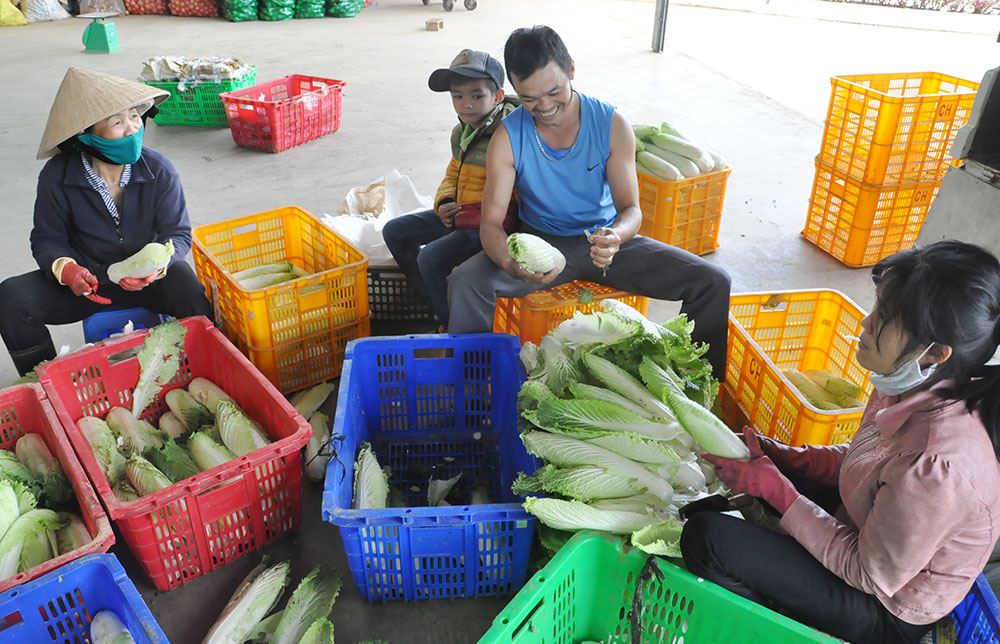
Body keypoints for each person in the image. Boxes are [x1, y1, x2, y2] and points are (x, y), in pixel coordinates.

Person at [680, 240, 1000, 644]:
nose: (866, 324)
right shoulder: (907, 382)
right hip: (863, 527)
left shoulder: (939, 465)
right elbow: (868, 463)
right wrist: (786, 458)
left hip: (885, 606)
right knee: (751, 486)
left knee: (707, 538)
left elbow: (868, 573)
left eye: (884, 317)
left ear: (934, 353)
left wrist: (780, 494)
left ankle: (773, 628)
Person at [446, 25, 731, 379]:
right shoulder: (508, 137)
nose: (545, 106)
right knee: (465, 281)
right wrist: (508, 261)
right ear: (515, 91)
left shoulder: (611, 124)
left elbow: (631, 210)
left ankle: (701, 386)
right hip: (542, 245)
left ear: (571, 71)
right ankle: (474, 390)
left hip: (605, 243)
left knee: (713, 281)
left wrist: (616, 236)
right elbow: (491, 223)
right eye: (530, 99)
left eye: (554, 91)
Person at [0, 67, 213, 376]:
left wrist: (156, 266)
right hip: (89, 283)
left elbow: (177, 233)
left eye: (134, 117)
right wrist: (67, 269)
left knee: (190, 290)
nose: (131, 129)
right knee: (11, 298)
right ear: (85, 136)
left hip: (149, 280)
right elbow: (47, 238)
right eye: (116, 122)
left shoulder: (159, 170)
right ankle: (43, 384)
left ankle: (207, 365)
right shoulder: (57, 177)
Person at [382, 49, 520, 331]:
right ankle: (436, 304)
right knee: (395, 231)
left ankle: (449, 325)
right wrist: (444, 202)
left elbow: (518, 187)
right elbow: (453, 173)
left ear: (498, 96)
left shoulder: (508, 132)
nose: (466, 104)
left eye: (476, 95)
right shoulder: (462, 132)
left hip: (488, 223)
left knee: (430, 257)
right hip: (459, 213)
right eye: (457, 96)